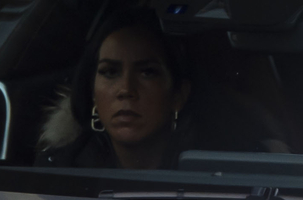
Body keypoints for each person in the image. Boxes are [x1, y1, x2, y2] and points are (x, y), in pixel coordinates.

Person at [37, 11, 197, 171]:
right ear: (92, 92)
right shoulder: (57, 174)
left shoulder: (209, 172)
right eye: (110, 72)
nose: (126, 89)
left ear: (179, 95)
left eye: (147, 72)